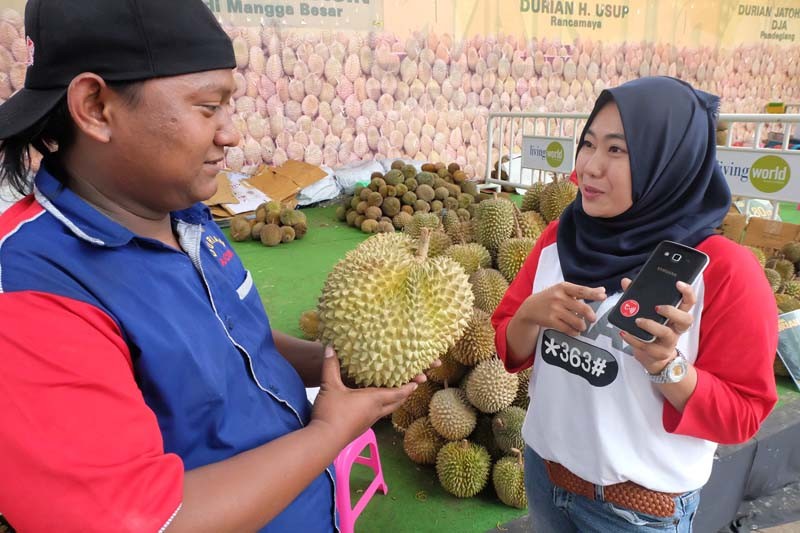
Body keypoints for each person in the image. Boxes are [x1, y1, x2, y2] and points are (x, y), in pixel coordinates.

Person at [0, 1, 425, 531]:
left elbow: (234, 340)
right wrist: (329, 433)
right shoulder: (28, 293)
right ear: (95, 108)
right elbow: (146, 522)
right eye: (208, 107)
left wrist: (334, 361)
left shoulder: (185, 216)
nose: (230, 134)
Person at [492, 76, 778, 532]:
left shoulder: (724, 271)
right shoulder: (560, 238)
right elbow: (509, 342)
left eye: (617, 150)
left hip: (636, 513)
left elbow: (744, 414)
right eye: (588, 144)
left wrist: (668, 366)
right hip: (546, 480)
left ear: (667, 161)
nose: (589, 166)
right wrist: (529, 315)